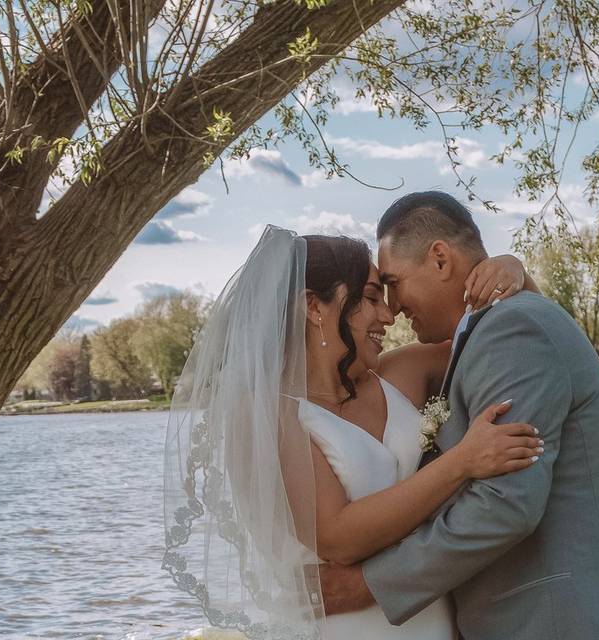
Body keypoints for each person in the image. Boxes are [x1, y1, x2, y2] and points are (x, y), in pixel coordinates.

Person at [318, 191, 599, 640]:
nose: (392, 308)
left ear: (439, 259)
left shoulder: (513, 329)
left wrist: (366, 587)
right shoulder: (483, 335)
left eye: (393, 284)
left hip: (570, 619)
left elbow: (505, 504)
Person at [163, 225, 541, 639]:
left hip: (432, 619)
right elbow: (337, 536)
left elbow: (507, 337)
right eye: (371, 298)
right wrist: (462, 462)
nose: (389, 314)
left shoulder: (401, 374)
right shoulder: (268, 413)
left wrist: (516, 273)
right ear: (314, 306)